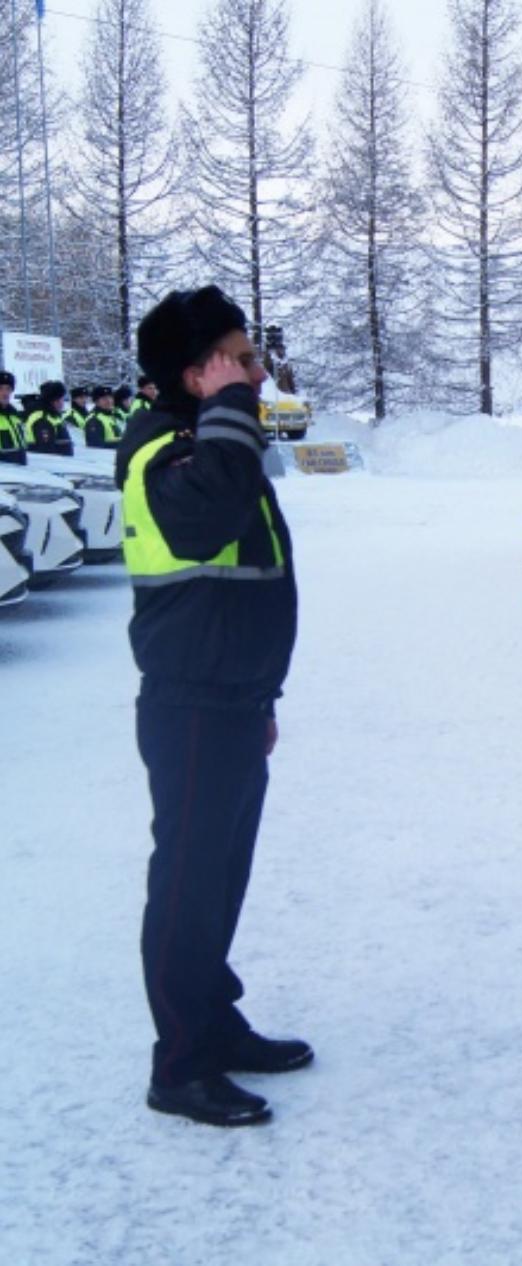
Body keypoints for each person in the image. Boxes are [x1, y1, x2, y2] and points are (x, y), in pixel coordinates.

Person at [119, 286, 308, 1128]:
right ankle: (181, 1063)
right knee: (188, 883)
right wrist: (234, 407)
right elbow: (207, 523)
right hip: (190, 706)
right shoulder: (164, 452)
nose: (257, 371)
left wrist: (261, 696)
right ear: (196, 375)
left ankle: (215, 1021)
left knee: (219, 880)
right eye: (239, 358)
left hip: (229, 700)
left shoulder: (202, 441)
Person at [25, 380, 75, 455]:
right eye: (59, 399)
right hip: (51, 464)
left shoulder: (54, 417)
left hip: (63, 462)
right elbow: (47, 449)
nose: (62, 403)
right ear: (51, 400)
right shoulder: (42, 419)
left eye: (62, 399)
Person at [0, 371, 27, 464]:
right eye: (1, 389)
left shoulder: (15, 417)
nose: (5, 393)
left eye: (8, 389)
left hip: (19, 473)